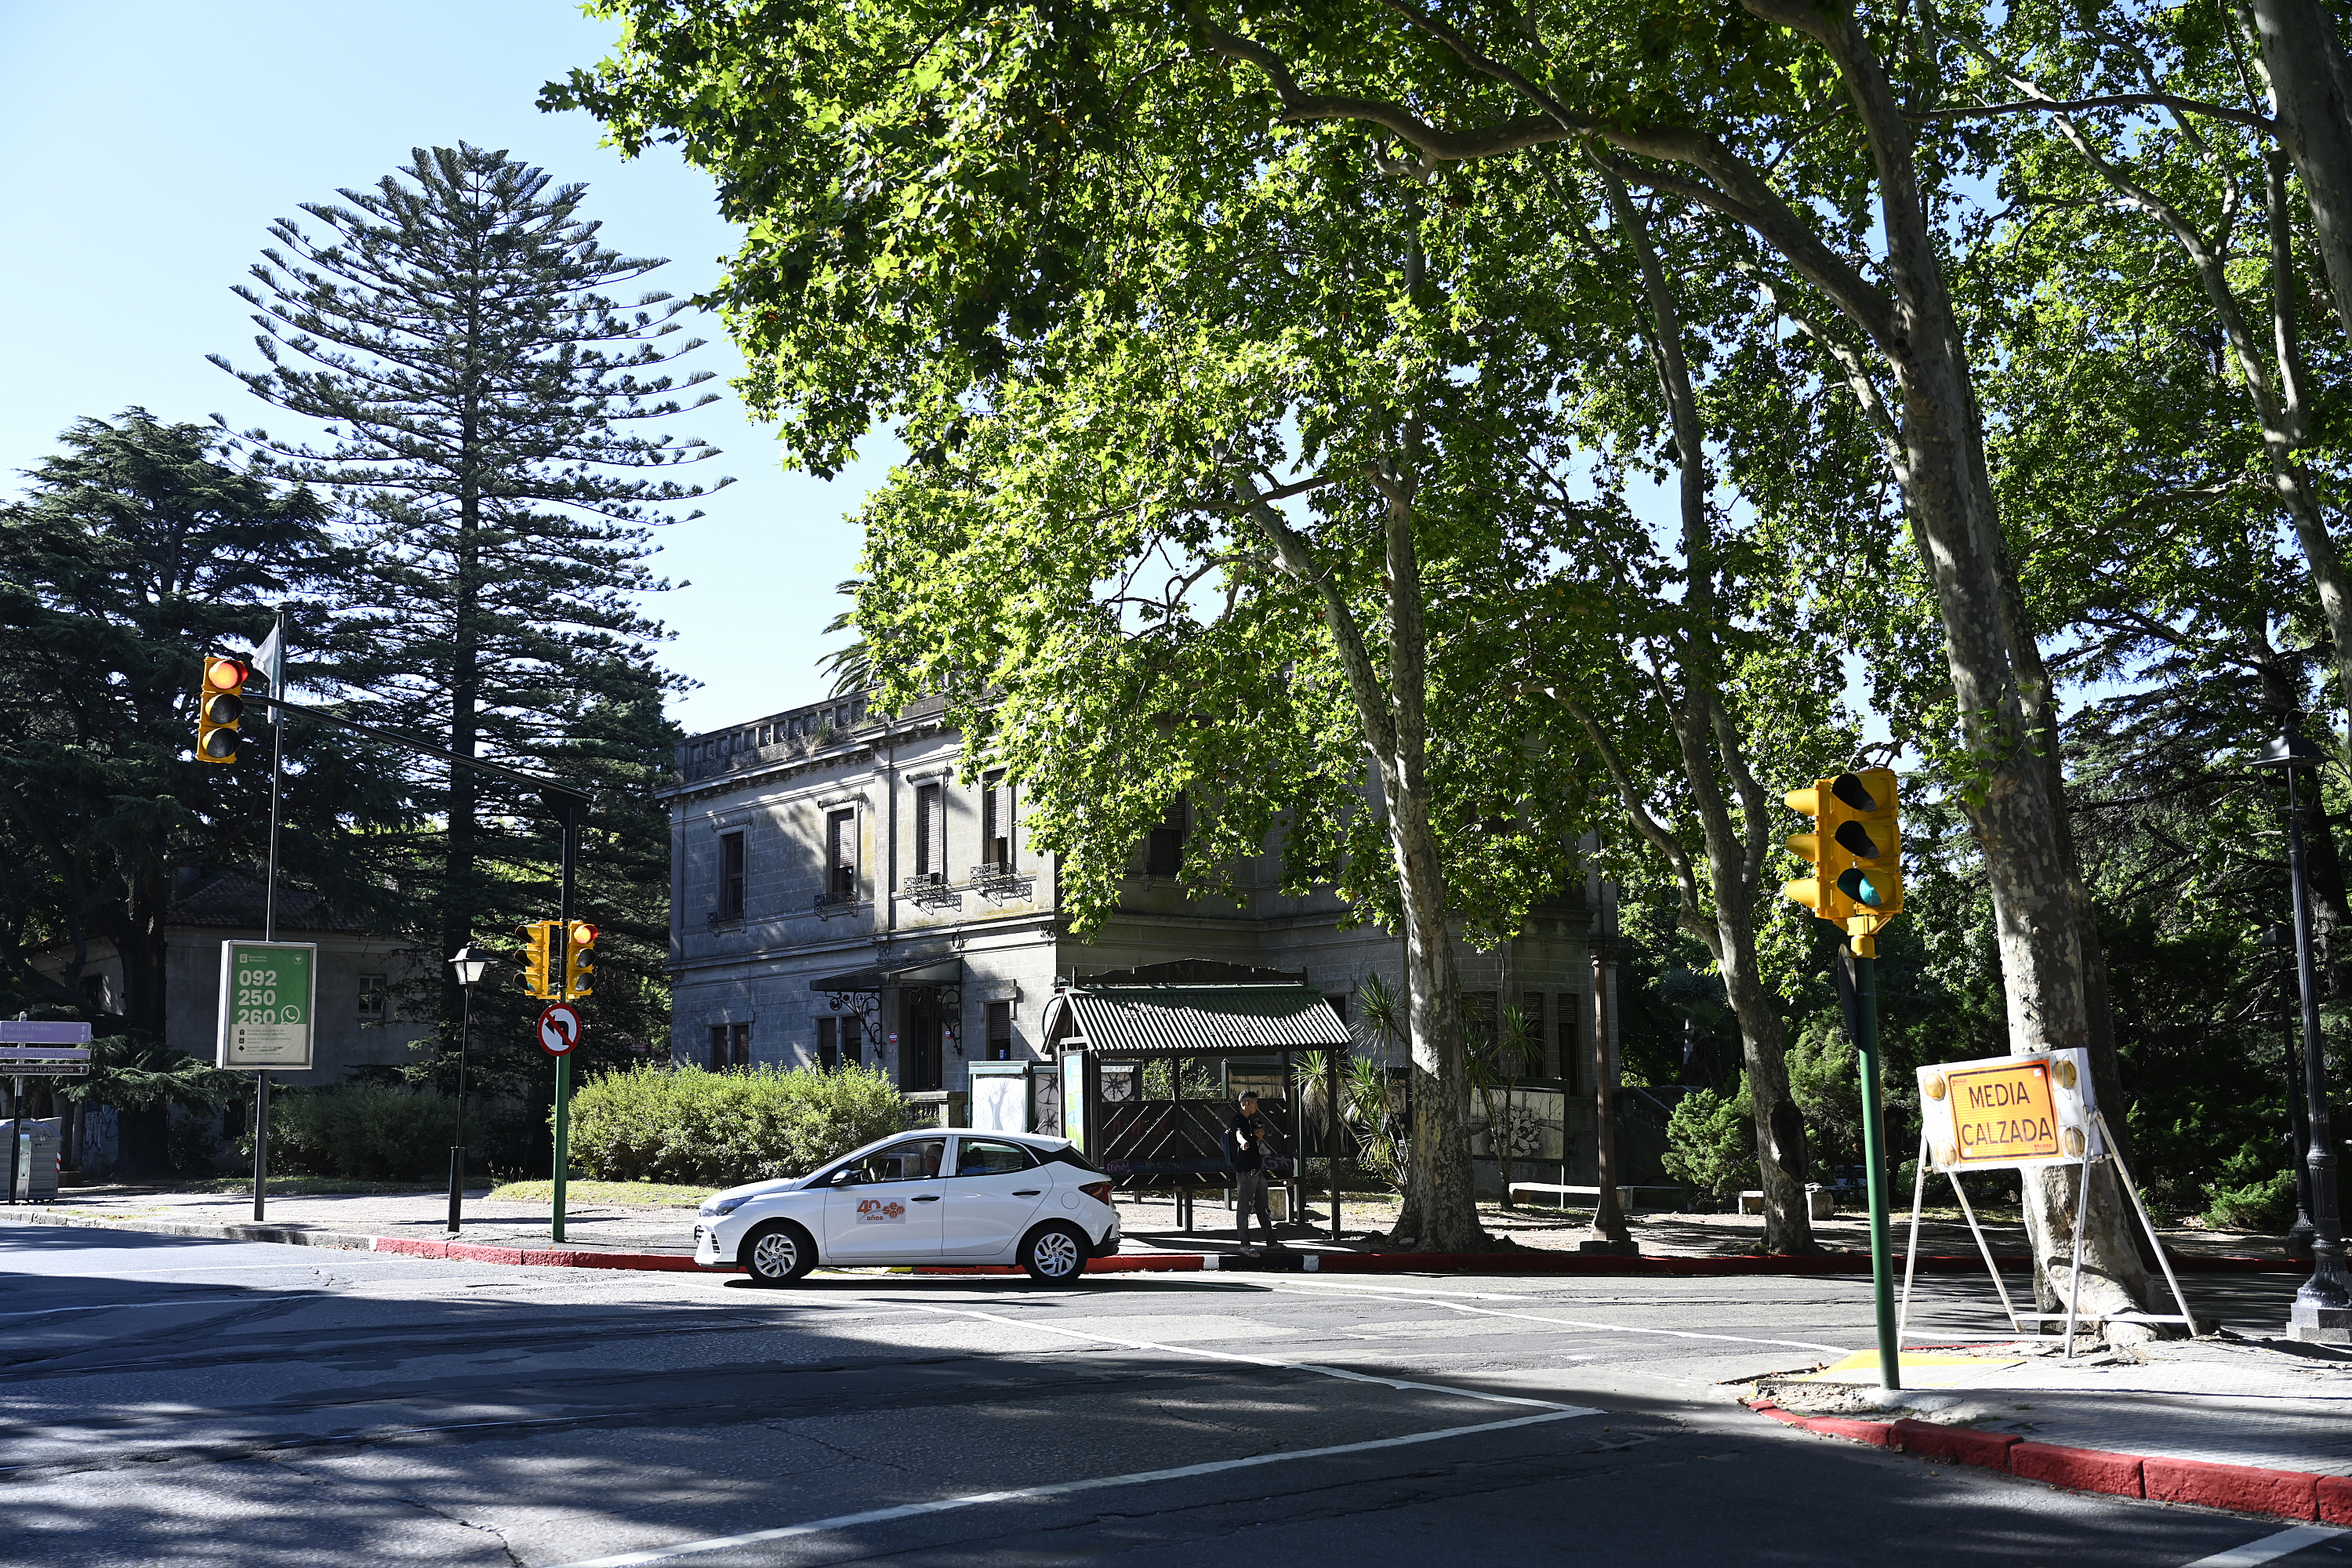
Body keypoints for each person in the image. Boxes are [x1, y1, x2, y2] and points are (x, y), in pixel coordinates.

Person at [1229, 1091, 1281, 1254]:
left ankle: (1271, 1241)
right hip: (1246, 1173)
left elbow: (1253, 1142)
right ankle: (1244, 1243)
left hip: (1257, 1171)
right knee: (1244, 1209)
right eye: (1254, 1102)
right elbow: (1238, 1134)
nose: (1256, 1105)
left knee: (1263, 1208)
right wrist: (1243, 1141)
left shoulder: (1250, 1121)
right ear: (1245, 1104)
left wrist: (1260, 1136)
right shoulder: (1238, 1120)